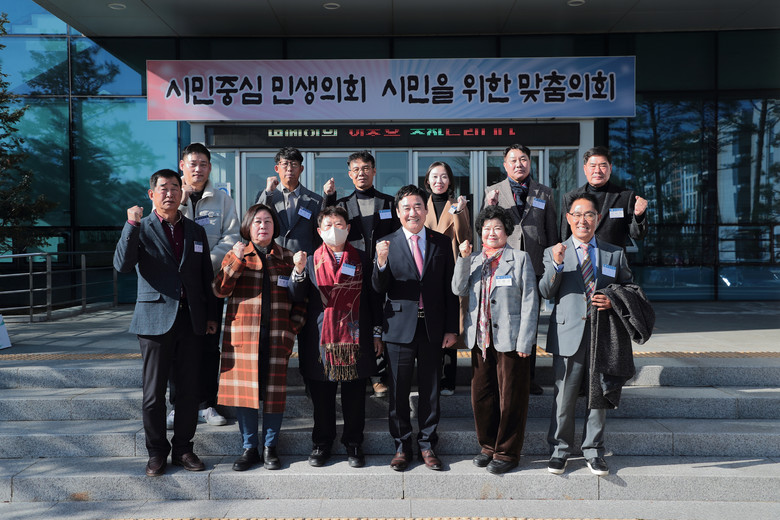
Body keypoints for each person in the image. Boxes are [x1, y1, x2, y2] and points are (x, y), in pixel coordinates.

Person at [113, 169, 217, 477]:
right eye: (163, 188)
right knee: (153, 394)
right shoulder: (141, 227)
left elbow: (205, 276)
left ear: (181, 193)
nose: (169, 193)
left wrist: (211, 316)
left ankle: (184, 448)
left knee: (189, 391)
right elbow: (122, 265)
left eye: (174, 187)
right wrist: (131, 224)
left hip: (190, 319)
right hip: (153, 319)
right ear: (152, 194)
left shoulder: (195, 231)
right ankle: (156, 452)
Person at [539, 193, 633, 477]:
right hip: (568, 333)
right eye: (577, 215)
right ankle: (560, 451)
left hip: (603, 334)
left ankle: (593, 451)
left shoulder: (614, 253)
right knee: (564, 398)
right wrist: (557, 265)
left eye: (589, 214)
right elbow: (546, 291)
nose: (583, 220)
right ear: (568, 219)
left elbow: (629, 288)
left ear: (598, 218)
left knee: (598, 395)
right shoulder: (554, 251)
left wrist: (613, 300)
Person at [372, 184, 459, 472]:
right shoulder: (386, 242)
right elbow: (378, 289)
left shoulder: (441, 242)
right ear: (398, 213)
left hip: (433, 327)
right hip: (398, 328)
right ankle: (401, 445)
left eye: (418, 206)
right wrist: (380, 262)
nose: (413, 212)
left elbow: (450, 290)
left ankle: (427, 444)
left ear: (426, 209)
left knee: (431, 389)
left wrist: (451, 328)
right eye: (406, 208)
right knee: (397, 391)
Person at [213, 204, 306, 472]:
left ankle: (270, 447)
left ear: (275, 226)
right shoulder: (238, 254)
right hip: (244, 338)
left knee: (274, 393)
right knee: (246, 394)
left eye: (267, 221)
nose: (263, 226)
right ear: (248, 227)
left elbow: (301, 300)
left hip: (277, 336)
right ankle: (249, 447)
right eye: (257, 222)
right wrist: (236, 260)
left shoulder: (287, 257)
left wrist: (292, 329)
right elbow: (220, 290)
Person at [288, 206, 382, 468]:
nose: (334, 230)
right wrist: (298, 271)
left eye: (339, 224)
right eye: (328, 225)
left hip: (355, 336)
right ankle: (322, 444)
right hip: (320, 339)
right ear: (319, 231)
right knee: (322, 398)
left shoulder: (362, 258)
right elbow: (296, 296)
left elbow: (374, 298)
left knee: (355, 397)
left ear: (348, 228)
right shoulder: (310, 260)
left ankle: (354, 443)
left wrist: (377, 332)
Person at [452, 205, 538, 475]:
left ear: (507, 231)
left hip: (511, 340)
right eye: (486, 228)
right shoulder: (474, 259)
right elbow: (458, 288)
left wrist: (526, 341)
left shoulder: (520, 258)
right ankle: (488, 446)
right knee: (481, 396)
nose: (491, 233)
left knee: (511, 398)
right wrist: (463, 258)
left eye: (497, 228)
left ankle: (507, 452)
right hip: (480, 340)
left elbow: (530, 301)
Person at [166, 143, 240, 430]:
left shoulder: (222, 200)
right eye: (193, 163)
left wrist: (203, 264)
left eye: (203, 164)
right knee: (177, 346)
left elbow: (231, 237)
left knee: (209, 345)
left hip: (210, 285)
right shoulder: (172, 196)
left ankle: (207, 403)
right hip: (178, 288)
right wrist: (182, 201)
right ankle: (178, 405)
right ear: (182, 165)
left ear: (210, 167)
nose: (198, 169)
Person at [323, 150, 400, 398]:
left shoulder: (389, 203)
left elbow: (399, 236)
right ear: (350, 174)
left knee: (380, 318)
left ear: (374, 171)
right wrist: (328, 198)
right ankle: (357, 370)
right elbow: (326, 226)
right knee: (357, 320)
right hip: (352, 270)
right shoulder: (342, 205)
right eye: (356, 169)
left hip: (382, 268)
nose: (361, 173)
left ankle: (378, 375)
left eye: (366, 168)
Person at [483, 144, 558, 396]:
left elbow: (551, 232)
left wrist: (551, 265)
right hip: (504, 267)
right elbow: (485, 228)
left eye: (523, 159)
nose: (519, 164)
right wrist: (490, 205)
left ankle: (528, 378)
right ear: (505, 164)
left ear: (530, 162)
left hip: (534, 266)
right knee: (504, 319)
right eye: (513, 160)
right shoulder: (493, 191)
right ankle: (502, 376)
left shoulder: (544, 192)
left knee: (529, 322)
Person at [423, 161, 472, 396]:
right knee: (429, 322)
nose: (439, 181)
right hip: (426, 270)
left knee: (451, 322)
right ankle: (430, 376)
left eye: (443, 176)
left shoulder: (457, 206)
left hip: (451, 269)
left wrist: (460, 212)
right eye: (434, 176)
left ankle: (448, 379)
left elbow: (465, 237)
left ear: (450, 180)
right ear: (427, 180)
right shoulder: (420, 205)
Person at [560, 146, 648, 249]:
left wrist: (639, 215)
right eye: (593, 166)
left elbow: (637, 235)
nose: (597, 170)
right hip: (581, 257)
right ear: (585, 169)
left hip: (613, 257)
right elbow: (564, 237)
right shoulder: (571, 198)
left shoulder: (625, 196)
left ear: (610, 168)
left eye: (602, 165)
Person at [256, 146, 324, 255]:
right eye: (285, 164)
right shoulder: (266, 195)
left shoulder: (315, 200)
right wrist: (268, 191)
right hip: (274, 258)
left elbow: (319, 236)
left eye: (294, 164)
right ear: (277, 168)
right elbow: (256, 219)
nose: (289, 169)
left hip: (304, 259)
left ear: (301, 169)